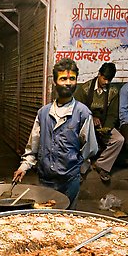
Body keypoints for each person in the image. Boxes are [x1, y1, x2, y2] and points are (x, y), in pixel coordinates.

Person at [12, 58, 98, 209]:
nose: (68, 83)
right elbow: (33, 146)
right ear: (55, 82)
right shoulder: (43, 113)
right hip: (45, 180)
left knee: (67, 219)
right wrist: (24, 167)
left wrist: (77, 170)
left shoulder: (82, 113)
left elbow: (90, 148)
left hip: (70, 181)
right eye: (63, 78)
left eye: (72, 78)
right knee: (46, 219)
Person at [73, 62, 125, 182]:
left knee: (119, 140)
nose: (106, 82)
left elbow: (113, 114)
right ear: (99, 74)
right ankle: (82, 169)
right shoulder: (85, 88)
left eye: (109, 79)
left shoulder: (113, 91)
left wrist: (106, 128)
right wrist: (91, 118)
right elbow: (77, 109)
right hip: (85, 125)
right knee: (79, 140)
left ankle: (101, 165)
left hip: (103, 125)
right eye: (104, 78)